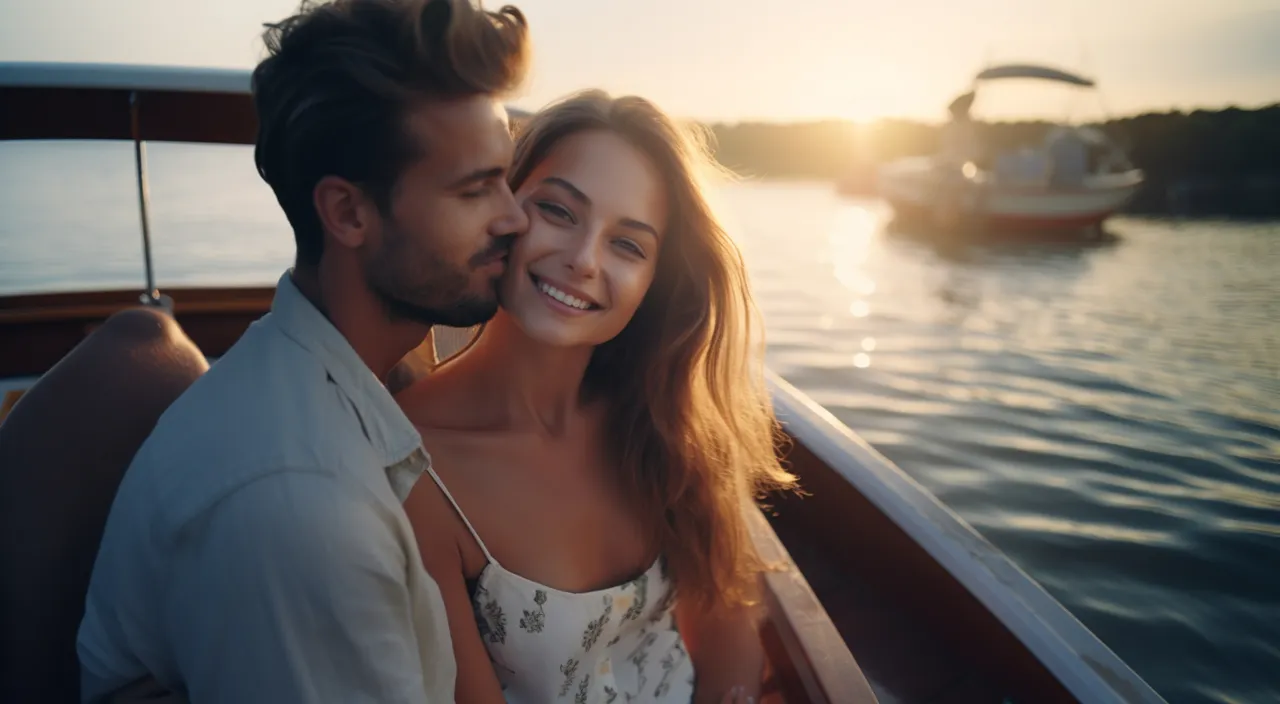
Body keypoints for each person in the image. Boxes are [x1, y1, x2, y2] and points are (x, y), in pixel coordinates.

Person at [76, 0, 530, 701]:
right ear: (348, 213)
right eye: (475, 190)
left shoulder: (364, 376)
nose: (515, 215)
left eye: (506, 176)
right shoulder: (301, 510)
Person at [397, 91, 797, 704]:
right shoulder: (415, 469)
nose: (584, 260)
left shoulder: (664, 418)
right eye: (559, 211)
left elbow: (725, 622)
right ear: (500, 206)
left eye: (628, 244)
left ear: (654, 285)